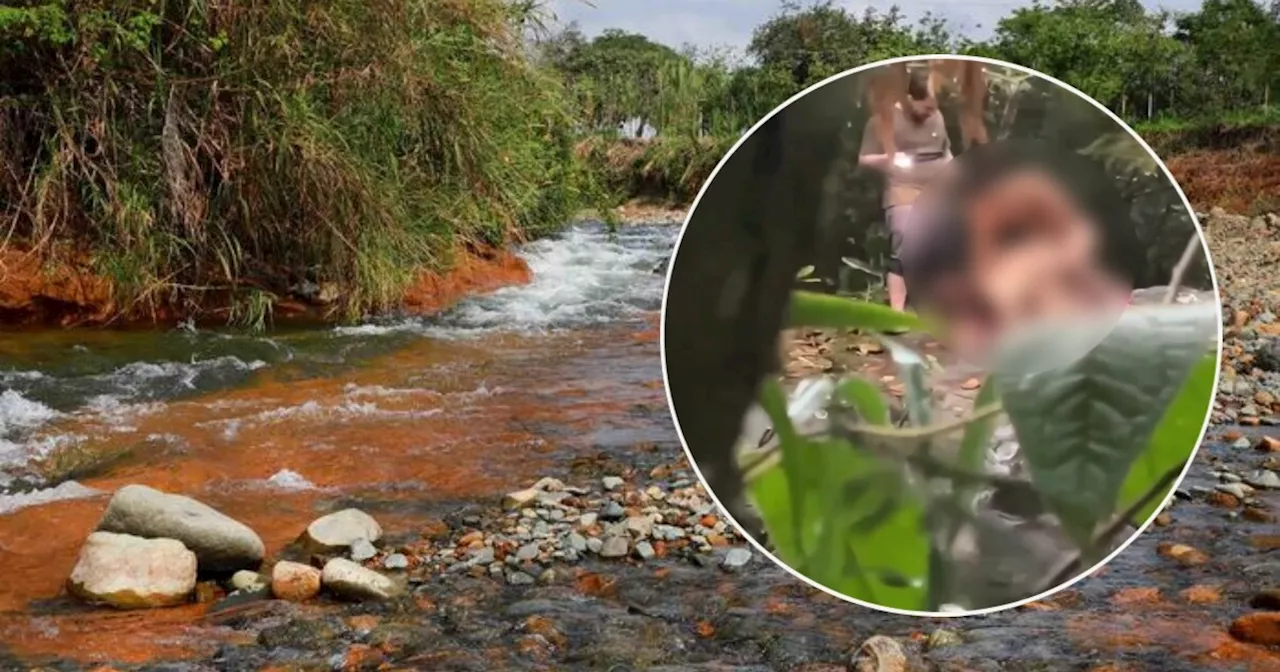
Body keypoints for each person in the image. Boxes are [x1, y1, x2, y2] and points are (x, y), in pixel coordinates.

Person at [858, 67, 954, 314]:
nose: (930, 113)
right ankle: (896, 312)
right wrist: (890, 158)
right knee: (904, 238)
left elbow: (945, 152)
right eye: (926, 107)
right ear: (910, 99)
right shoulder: (883, 120)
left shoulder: (938, 117)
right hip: (903, 187)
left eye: (934, 108)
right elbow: (864, 159)